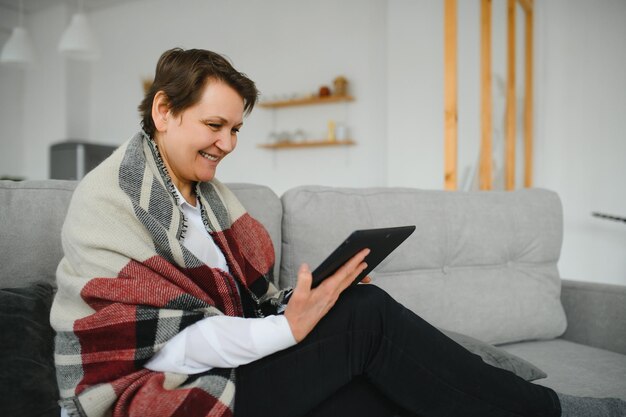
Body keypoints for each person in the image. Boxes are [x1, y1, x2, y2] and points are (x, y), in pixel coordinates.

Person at [50, 48, 625, 417]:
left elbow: (237, 308)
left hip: (225, 368)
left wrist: (298, 310)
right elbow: (165, 344)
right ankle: (555, 412)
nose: (227, 144)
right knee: (366, 313)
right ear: (163, 111)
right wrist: (289, 329)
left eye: (236, 129)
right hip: (155, 395)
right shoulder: (109, 202)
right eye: (214, 125)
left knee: (373, 387)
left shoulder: (205, 198)